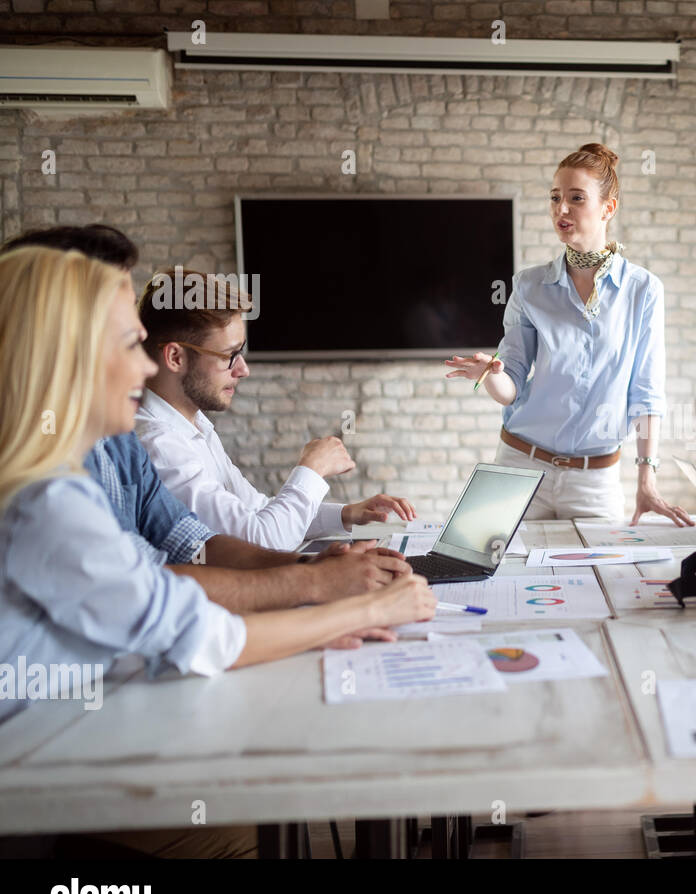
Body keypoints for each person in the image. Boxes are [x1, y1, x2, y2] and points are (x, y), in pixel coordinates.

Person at [0, 247, 438, 856]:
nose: (143, 367)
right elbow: (193, 623)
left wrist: (315, 571)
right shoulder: (48, 500)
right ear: (67, 359)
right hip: (43, 795)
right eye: (131, 344)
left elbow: (197, 547)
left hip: (72, 745)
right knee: (257, 812)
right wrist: (357, 609)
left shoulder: (71, 469)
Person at [0, 225, 411, 612]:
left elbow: (203, 544)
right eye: (230, 356)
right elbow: (173, 591)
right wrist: (311, 475)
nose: (243, 369)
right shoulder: (131, 451)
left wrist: (321, 558)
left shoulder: (142, 440)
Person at [445, 142, 693, 526]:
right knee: (503, 578)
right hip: (520, 467)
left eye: (576, 198)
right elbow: (509, 380)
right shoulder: (529, 286)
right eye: (555, 198)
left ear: (608, 207)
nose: (561, 209)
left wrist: (647, 479)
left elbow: (646, 393)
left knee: (602, 582)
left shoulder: (643, 290)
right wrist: (491, 377)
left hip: (596, 481)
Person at [133, 267, 416, 552]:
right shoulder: (158, 445)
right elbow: (261, 543)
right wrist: (312, 469)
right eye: (230, 355)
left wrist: (346, 515)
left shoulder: (195, 426)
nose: (243, 370)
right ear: (175, 357)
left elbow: (256, 511)